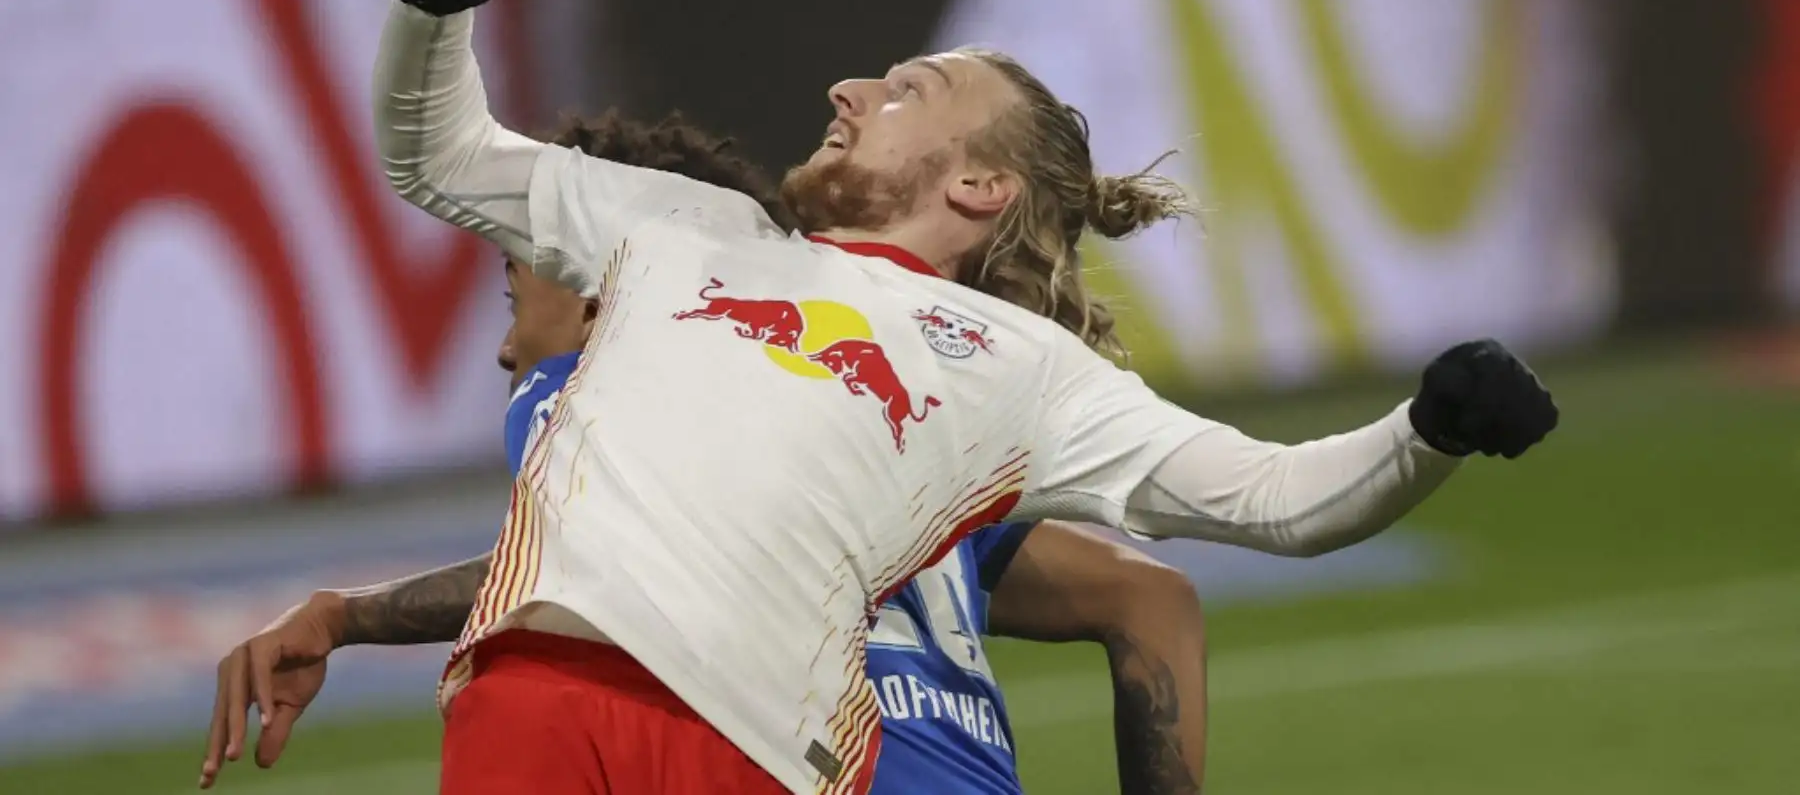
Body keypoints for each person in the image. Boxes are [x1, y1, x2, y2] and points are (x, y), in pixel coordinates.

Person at [225, 0, 1555, 795]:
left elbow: (1278, 500)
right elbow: (438, 155)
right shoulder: (684, 226)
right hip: (532, 692)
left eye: (906, 88)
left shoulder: (1019, 368)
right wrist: (432, 9)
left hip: (762, 750)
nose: (848, 89)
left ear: (978, 188)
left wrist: (1425, 431)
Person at [202, 112, 1209, 794]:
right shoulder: (901, 451)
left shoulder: (572, 391)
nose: (508, 346)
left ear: (608, 289)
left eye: (520, 299)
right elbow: (1151, 599)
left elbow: (571, 576)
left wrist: (345, 614)